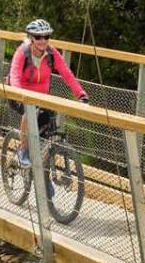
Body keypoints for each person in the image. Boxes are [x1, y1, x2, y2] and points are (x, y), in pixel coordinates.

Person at [9, 18, 89, 166]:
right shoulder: (23, 52)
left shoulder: (52, 53)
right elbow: (14, 75)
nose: (43, 40)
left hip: (42, 96)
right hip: (20, 94)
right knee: (29, 111)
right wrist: (19, 94)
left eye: (46, 37)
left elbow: (66, 73)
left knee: (48, 124)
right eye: (38, 37)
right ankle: (23, 149)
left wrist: (80, 94)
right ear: (31, 38)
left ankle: (42, 168)